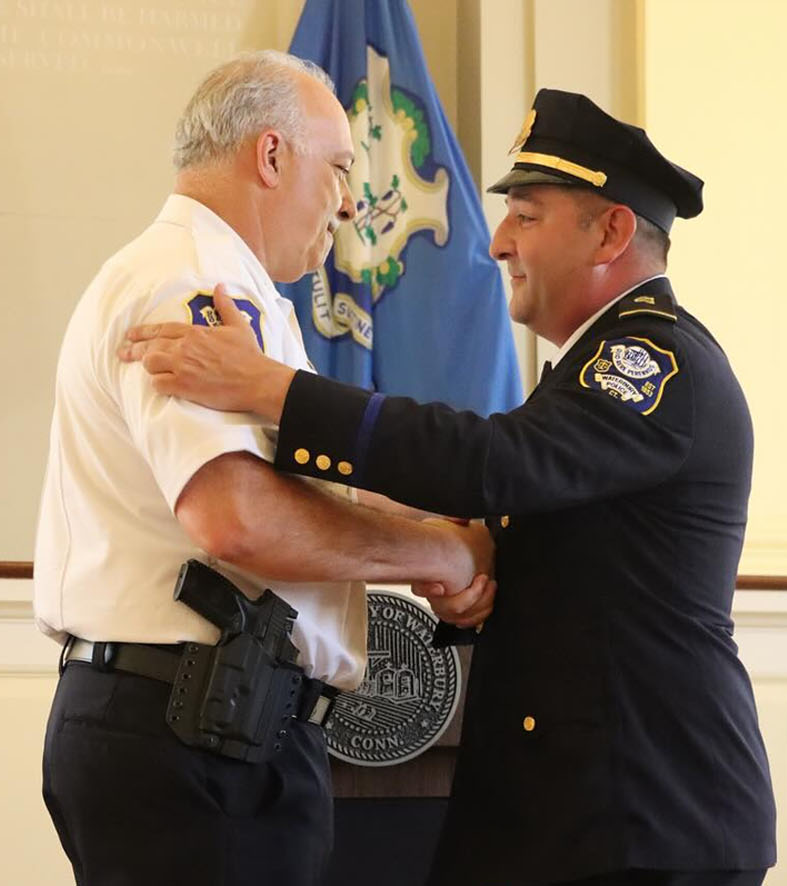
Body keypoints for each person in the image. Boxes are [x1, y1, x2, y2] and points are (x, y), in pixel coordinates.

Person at [119, 88, 777, 886]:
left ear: (611, 231)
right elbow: (559, 531)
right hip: (572, 816)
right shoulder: (591, 370)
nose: (498, 242)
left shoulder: (654, 362)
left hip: (645, 817)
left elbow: (498, 462)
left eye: (527, 216)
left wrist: (276, 392)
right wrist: (475, 560)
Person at [33, 50, 495, 886]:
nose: (352, 200)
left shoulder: (219, 282)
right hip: (197, 733)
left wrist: (436, 526)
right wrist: (438, 554)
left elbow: (301, 486)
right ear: (272, 156)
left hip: (212, 726)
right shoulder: (193, 283)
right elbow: (237, 519)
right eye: (342, 167)